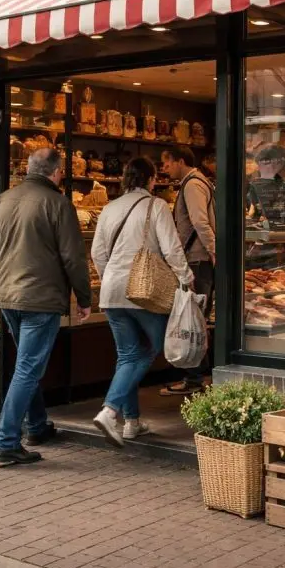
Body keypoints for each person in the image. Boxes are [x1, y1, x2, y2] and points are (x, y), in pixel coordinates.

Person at [0, 148, 92, 466]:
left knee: (27, 364)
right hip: (41, 299)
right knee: (28, 368)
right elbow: (73, 257)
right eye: (62, 171)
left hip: (9, 298)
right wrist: (84, 299)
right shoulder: (58, 204)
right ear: (55, 172)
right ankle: (6, 442)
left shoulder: (2, 200)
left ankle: (38, 426)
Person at [89, 157, 194, 446]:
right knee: (152, 348)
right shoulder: (156, 206)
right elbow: (171, 248)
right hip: (144, 291)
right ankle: (110, 411)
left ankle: (132, 422)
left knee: (127, 356)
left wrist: (111, 277)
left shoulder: (109, 208)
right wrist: (186, 277)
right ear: (151, 179)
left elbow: (97, 253)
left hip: (111, 292)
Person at [158, 146, 215, 396]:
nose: (164, 169)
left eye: (167, 163)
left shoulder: (192, 185)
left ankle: (194, 379)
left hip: (197, 260)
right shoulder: (198, 182)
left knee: (193, 319)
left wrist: (214, 251)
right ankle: (197, 376)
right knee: (196, 318)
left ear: (180, 161)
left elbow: (200, 221)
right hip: (199, 259)